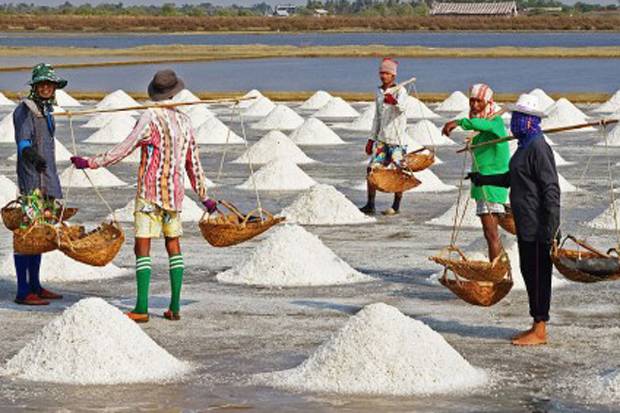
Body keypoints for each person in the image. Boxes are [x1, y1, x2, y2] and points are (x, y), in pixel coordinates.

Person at [71, 69, 217, 323]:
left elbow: (124, 148)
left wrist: (91, 163)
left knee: (143, 246)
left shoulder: (150, 117)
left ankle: (140, 307)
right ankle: (174, 306)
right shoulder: (185, 121)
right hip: (175, 195)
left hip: (150, 194)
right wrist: (203, 196)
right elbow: (192, 162)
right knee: (173, 245)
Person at [469, 93, 560, 346]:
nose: (514, 123)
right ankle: (535, 324)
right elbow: (512, 178)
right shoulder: (523, 147)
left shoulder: (539, 147)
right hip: (525, 224)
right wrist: (483, 179)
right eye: (515, 118)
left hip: (539, 225)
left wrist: (552, 228)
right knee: (529, 272)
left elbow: (551, 190)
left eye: (519, 118)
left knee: (539, 275)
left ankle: (540, 330)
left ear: (530, 121)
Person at [12, 63, 67, 306]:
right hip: (31, 183)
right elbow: (23, 142)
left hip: (47, 181)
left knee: (40, 235)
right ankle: (23, 291)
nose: (46, 88)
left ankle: (36, 285)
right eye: (42, 84)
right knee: (26, 235)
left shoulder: (46, 112)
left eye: (50, 84)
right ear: (35, 87)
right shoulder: (25, 110)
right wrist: (31, 155)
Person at [442, 84, 510, 261]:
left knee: (491, 234)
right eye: (471, 100)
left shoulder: (494, 123)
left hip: (491, 186)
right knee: (491, 234)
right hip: (483, 184)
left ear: (487, 102)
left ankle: (497, 272)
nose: (474, 104)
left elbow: (482, 124)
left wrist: (457, 122)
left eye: (478, 101)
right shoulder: (482, 126)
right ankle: (500, 266)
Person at [359, 58, 409, 216]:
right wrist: (370, 139)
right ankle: (370, 204)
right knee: (372, 169)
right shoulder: (379, 92)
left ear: (393, 76)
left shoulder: (401, 91)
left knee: (398, 172)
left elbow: (403, 108)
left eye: (387, 73)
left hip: (397, 141)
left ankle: (396, 206)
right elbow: (377, 117)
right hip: (382, 140)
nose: (383, 76)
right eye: (381, 73)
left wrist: (393, 101)